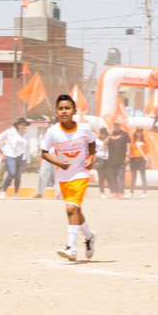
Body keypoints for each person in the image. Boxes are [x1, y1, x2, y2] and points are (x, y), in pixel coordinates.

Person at [39, 95, 97, 260]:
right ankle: (89, 236)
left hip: (80, 173)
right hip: (64, 176)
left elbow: (92, 143)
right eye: (61, 108)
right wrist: (58, 162)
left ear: (74, 111)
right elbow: (43, 153)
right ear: (57, 111)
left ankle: (71, 247)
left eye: (67, 108)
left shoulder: (84, 129)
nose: (64, 111)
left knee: (70, 208)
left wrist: (91, 158)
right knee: (76, 210)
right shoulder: (52, 131)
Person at [0, 117, 29, 198]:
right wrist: (2, 147)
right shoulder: (11, 131)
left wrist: (26, 159)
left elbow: (27, 147)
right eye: (21, 125)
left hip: (21, 155)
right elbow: (0, 137)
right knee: (12, 173)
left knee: (18, 175)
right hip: (10, 154)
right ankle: (3, 192)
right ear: (17, 125)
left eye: (24, 125)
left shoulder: (26, 134)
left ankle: (16, 193)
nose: (23, 126)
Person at [105, 123, 129, 199]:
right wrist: (109, 135)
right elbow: (104, 143)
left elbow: (128, 145)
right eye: (114, 126)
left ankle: (121, 193)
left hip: (121, 160)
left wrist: (127, 156)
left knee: (121, 177)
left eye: (117, 125)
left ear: (120, 126)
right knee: (112, 177)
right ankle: (114, 193)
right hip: (111, 160)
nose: (115, 127)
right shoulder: (110, 135)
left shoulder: (124, 134)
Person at [128, 127, 149, 198]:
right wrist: (128, 158)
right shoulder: (132, 141)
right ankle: (131, 192)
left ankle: (144, 192)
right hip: (133, 159)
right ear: (135, 132)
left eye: (140, 132)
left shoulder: (144, 142)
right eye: (138, 131)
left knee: (143, 176)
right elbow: (129, 151)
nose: (139, 133)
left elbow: (147, 153)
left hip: (141, 160)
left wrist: (147, 161)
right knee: (133, 176)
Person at [95, 126, 111, 198]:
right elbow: (103, 144)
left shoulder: (109, 140)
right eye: (102, 132)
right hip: (99, 158)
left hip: (107, 159)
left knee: (109, 176)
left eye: (104, 132)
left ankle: (112, 192)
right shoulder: (97, 141)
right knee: (101, 177)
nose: (103, 134)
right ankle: (102, 193)